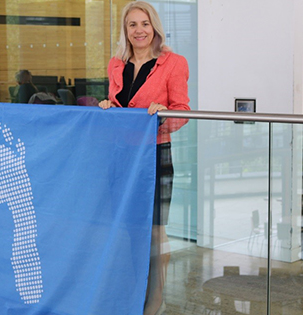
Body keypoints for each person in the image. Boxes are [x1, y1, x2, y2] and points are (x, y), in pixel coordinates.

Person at [98, 2, 190, 315]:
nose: (139, 30)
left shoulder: (174, 63)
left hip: (154, 154)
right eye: (132, 25)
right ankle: (134, 289)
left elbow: (183, 112)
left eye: (145, 24)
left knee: (154, 231)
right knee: (128, 228)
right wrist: (107, 108)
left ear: (155, 28)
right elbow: (116, 104)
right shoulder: (115, 64)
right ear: (125, 31)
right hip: (121, 157)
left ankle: (155, 299)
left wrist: (160, 116)